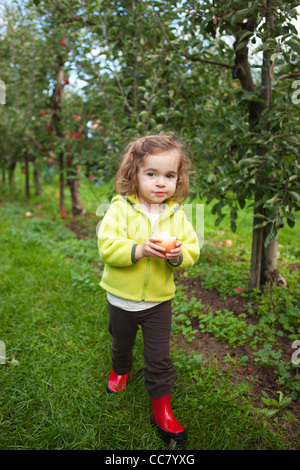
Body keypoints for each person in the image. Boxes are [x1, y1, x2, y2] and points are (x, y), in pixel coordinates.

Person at [97, 133, 200, 444]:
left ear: (178, 178)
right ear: (134, 174)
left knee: (159, 357)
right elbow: (108, 247)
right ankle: (120, 370)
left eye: (169, 175)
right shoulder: (120, 209)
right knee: (121, 342)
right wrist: (139, 250)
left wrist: (178, 256)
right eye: (151, 174)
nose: (160, 183)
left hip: (158, 302)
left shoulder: (177, 215)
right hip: (121, 299)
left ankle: (162, 408)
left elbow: (192, 250)